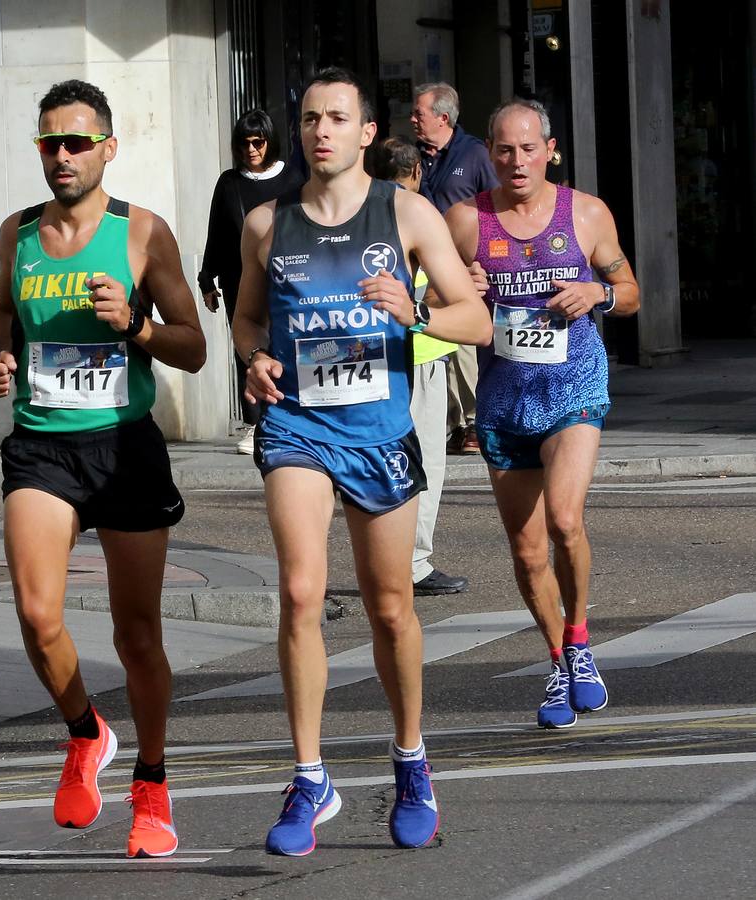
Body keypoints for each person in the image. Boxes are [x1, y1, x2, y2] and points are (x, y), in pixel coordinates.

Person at [231, 68, 492, 856]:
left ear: (366, 132)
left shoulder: (405, 211)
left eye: (337, 118)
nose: (321, 131)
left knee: (389, 608)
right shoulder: (266, 224)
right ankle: (309, 777)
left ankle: (410, 760)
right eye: (310, 118)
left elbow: (475, 320)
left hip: (378, 433)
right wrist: (253, 359)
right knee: (299, 592)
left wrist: (415, 312)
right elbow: (246, 319)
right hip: (297, 427)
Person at [0, 79, 206, 859]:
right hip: (41, 445)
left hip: (122, 446)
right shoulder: (16, 233)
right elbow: (2, 314)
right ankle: (85, 731)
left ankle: (151, 783)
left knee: (136, 635)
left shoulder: (142, 233)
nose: (62, 155)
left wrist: (135, 325)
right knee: (37, 615)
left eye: (76, 142)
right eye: (50, 142)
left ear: (108, 148)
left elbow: (193, 347)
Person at [445, 99, 640, 729]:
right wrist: (461, 290)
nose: (517, 161)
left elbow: (631, 293)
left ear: (550, 151)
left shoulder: (585, 213)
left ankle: (579, 638)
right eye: (504, 150)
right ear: (489, 154)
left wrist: (597, 291)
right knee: (528, 554)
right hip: (503, 400)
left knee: (563, 518)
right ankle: (559, 660)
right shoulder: (465, 221)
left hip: (573, 387)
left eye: (528, 149)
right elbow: (432, 301)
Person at [368, 137, 470, 597]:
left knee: (372, 463)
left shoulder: (357, 215)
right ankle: (412, 564)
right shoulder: (419, 214)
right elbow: (438, 294)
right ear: (415, 173)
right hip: (421, 353)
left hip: (372, 360)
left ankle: (383, 563)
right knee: (424, 461)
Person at [199, 110, 304, 455]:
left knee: (284, 342)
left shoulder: (292, 179)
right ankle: (255, 422)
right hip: (237, 276)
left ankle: (287, 416)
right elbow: (217, 231)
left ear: (269, 141)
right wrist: (207, 278)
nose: (251, 150)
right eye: (244, 144)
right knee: (248, 347)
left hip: (286, 275)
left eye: (258, 142)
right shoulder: (229, 182)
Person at [411, 82, 499, 456]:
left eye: (419, 113)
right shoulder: (414, 156)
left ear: (443, 118)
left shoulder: (474, 154)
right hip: (422, 263)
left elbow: (495, 204)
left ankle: (475, 420)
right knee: (434, 336)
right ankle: (455, 423)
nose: (412, 119)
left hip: (463, 263)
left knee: (463, 341)